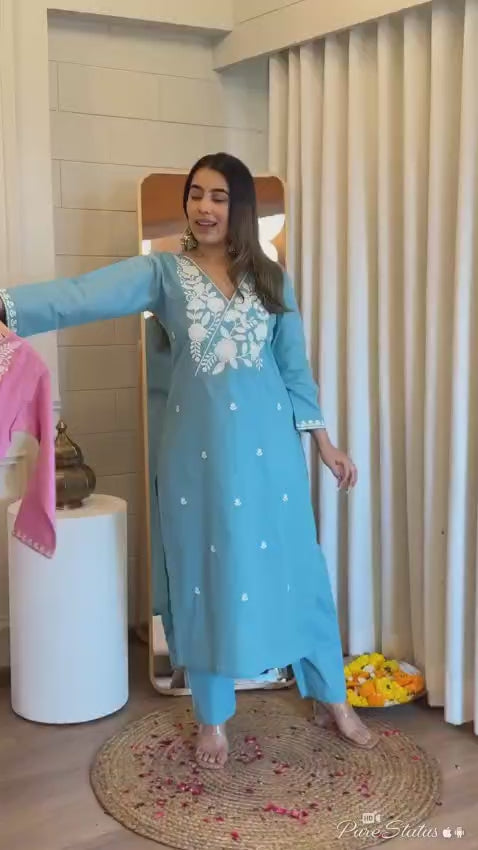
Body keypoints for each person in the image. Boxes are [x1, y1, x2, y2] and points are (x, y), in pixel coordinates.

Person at [0, 152, 378, 767]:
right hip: (196, 462)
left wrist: (325, 443)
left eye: (219, 197)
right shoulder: (164, 274)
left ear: (240, 208)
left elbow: (294, 368)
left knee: (299, 571)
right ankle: (212, 717)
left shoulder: (272, 281)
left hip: (271, 460)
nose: (204, 207)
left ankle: (332, 698)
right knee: (206, 574)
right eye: (196, 194)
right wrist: (7, 307)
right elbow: (85, 294)